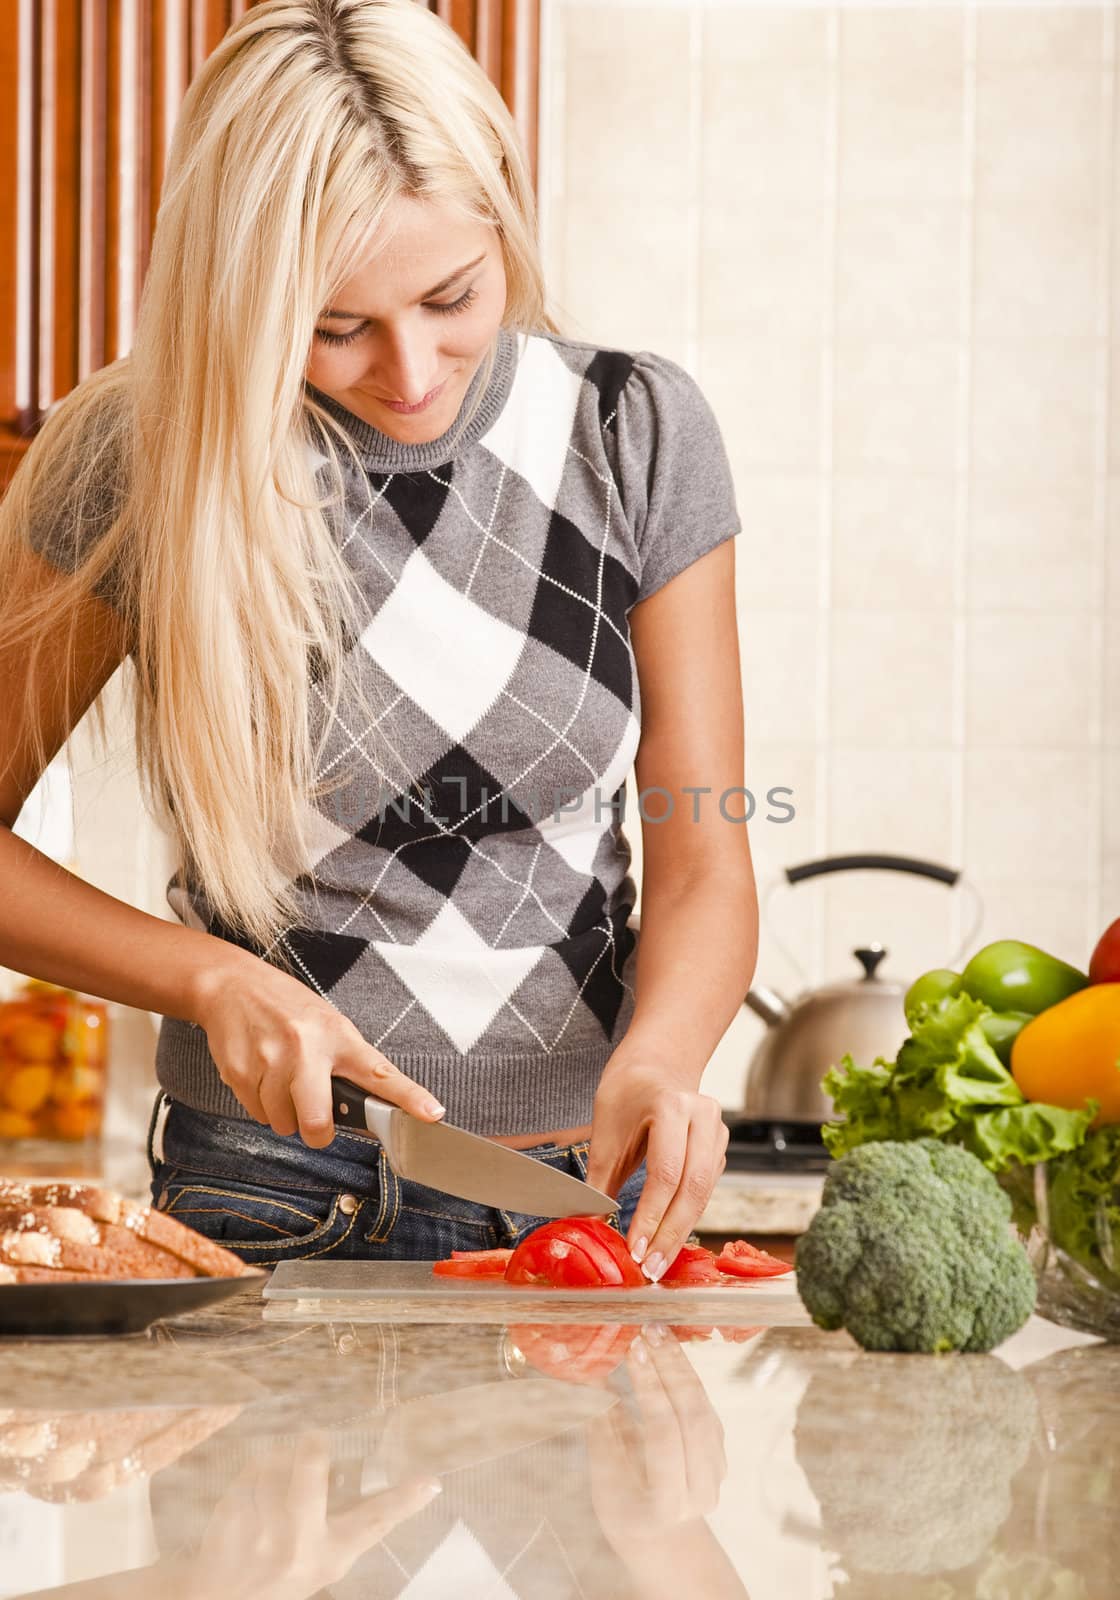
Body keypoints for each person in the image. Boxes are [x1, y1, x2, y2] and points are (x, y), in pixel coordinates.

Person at [0, 0, 758, 1276]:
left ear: (503, 214)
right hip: (268, 1191)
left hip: (579, 1198)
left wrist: (662, 1059)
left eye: (452, 296)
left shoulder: (634, 430)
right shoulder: (142, 455)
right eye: (334, 324)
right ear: (241, 291)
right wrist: (210, 981)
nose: (409, 372)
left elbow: (703, 855)